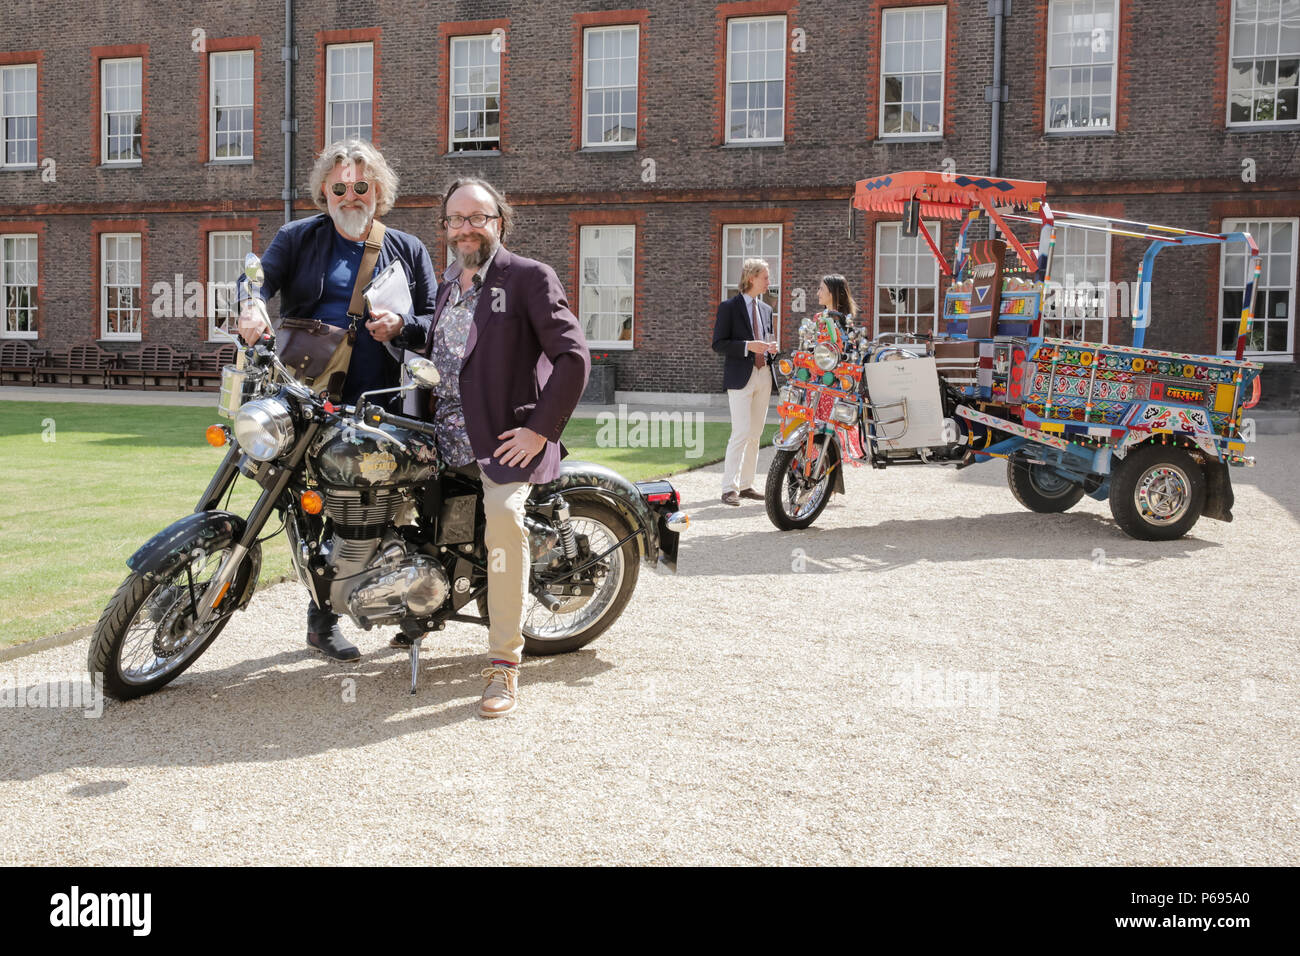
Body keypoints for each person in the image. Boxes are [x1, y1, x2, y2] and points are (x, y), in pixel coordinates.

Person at [236, 139, 438, 662]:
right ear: (324, 190)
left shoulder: (408, 247)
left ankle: (405, 604)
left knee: (389, 502)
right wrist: (252, 307)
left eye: (362, 186)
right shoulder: (298, 236)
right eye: (340, 186)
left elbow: (437, 319)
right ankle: (322, 615)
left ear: (379, 192)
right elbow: (256, 280)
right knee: (307, 503)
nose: (351, 195)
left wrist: (403, 325)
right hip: (305, 393)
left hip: (382, 401)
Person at [398, 177, 590, 718]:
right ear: (446, 228)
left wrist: (539, 431)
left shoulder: (528, 277)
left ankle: (503, 663)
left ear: (498, 223)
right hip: (441, 431)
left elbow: (574, 357)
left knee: (503, 523)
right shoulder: (446, 285)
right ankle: (413, 603)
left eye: (477, 217)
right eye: (456, 219)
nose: (466, 227)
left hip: (505, 440)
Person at [712, 258, 778, 506]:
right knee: (740, 432)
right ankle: (729, 488)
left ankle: (747, 485)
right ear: (752, 278)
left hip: (764, 375)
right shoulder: (729, 307)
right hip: (741, 376)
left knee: (755, 434)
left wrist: (771, 349)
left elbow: (767, 338)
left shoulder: (767, 309)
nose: (768, 282)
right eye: (765, 277)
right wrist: (748, 346)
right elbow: (718, 344)